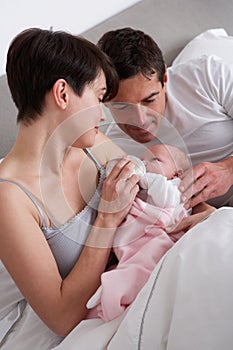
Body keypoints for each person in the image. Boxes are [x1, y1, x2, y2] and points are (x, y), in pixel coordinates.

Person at [0, 28, 141, 349]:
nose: (103, 114)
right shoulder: (10, 198)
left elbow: (149, 193)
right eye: (98, 96)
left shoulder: (90, 146)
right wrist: (106, 218)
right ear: (62, 94)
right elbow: (61, 317)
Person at [97, 27, 233, 210]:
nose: (140, 120)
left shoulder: (206, 75)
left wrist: (228, 169)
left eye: (149, 100)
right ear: (104, 99)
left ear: (165, 78)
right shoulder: (114, 150)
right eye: (122, 107)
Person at [86, 143, 214, 322]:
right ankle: (113, 305)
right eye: (143, 159)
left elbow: (163, 193)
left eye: (154, 159)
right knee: (121, 273)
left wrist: (138, 174)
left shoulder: (174, 189)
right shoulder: (145, 193)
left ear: (177, 174)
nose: (144, 163)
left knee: (133, 275)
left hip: (154, 246)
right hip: (130, 250)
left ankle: (116, 302)